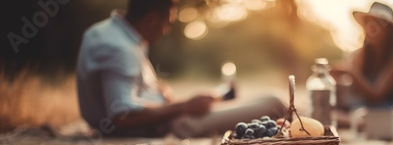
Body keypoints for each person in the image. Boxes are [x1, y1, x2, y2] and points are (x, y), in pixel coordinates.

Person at [76, 0, 286, 138]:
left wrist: (160, 92)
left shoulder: (107, 33)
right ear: (151, 19)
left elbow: (127, 91)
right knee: (274, 102)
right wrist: (183, 106)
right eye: (167, 23)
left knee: (243, 99)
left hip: (168, 115)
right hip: (170, 125)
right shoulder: (119, 47)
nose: (166, 31)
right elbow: (119, 117)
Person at [332, 2, 393, 130]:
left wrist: (351, 73)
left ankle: (353, 122)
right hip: (377, 106)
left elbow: (376, 95)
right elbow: (355, 93)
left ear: (390, 29)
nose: (372, 27)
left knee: (375, 113)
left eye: (378, 22)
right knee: (356, 108)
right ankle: (350, 120)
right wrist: (334, 81)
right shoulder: (361, 54)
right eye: (369, 22)